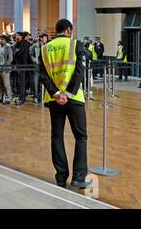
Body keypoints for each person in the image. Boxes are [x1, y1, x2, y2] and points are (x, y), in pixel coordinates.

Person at [40, 19, 91, 189]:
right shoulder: (76, 45)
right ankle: (78, 178)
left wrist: (56, 93)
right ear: (69, 30)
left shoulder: (45, 48)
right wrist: (68, 93)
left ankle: (61, 177)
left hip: (54, 101)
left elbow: (42, 75)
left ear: (57, 30)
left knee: (57, 136)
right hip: (74, 99)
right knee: (81, 137)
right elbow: (79, 71)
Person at [14, 32, 31, 105]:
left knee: (21, 82)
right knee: (20, 82)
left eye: (18, 35)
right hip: (21, 65)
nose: (16, 36)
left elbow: (19, 54)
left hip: (23, 66)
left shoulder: (24, 44)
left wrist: (16, 52)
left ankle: (22, 99)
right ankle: (21, 97)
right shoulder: (19, 43)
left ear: (21, 36)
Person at [30, 33, 48, 103]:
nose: (46, 39)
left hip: (45, 67)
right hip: (36, 66)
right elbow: (31, 55)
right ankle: (36, 96)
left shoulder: (47, 46)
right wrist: (35, 61)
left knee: (44, 82)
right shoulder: (34, 46)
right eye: (45, 38)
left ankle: (43, 97)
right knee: (35, 82)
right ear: (41, 38)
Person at [0, 35, 13, 105]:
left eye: (3, 39)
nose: (1, 40)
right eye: (0, 39)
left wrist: (4, 65)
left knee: (6, 84)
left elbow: (10, 58)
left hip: (5, 69)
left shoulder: (8, 48)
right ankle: (0, 97)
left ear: (5, 40)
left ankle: (7, 98)